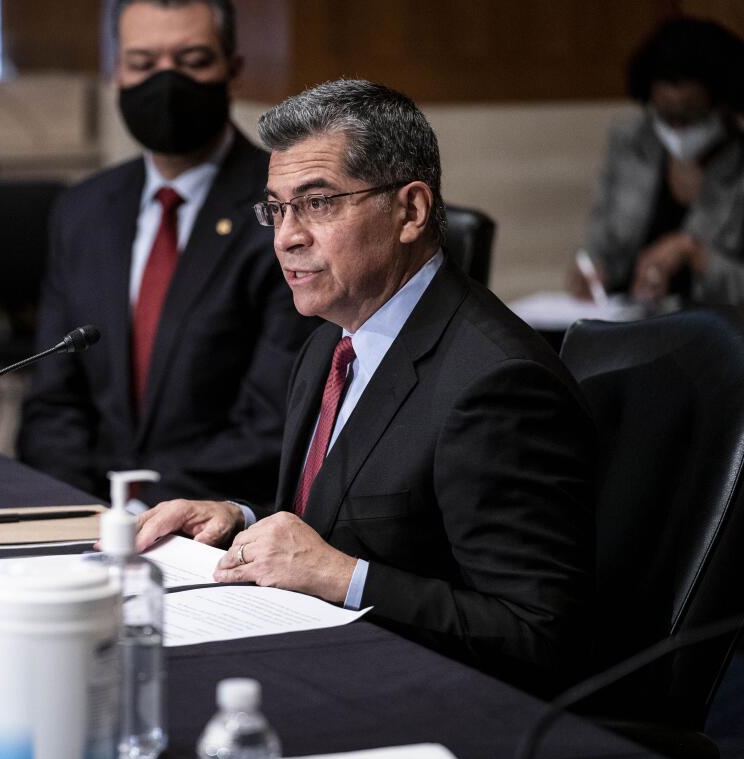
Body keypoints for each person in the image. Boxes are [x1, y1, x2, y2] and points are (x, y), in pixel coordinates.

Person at [137, 79, 596, 695]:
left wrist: (342, 576)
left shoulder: (496, 384)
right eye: (276, 208)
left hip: (433, 706)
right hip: (326, 662)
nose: (285, 236)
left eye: (318, 203)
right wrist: (237, 520)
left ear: (410, 211)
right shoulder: (334, 337)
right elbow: (338, 519)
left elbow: (538, 633)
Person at [17, 0, 315, 508]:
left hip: (222, 520)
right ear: (117, 72)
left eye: (193, 60)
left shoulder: (287, 211)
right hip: (85, 517)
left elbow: (278, 423)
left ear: (233, 70)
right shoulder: (82, 210)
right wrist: (83, 509)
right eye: (143, 64)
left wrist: (142, 505)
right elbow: (52, 402)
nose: (166, 82)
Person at [571, 17, 744, 304]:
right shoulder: (632, 144)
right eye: (665, 116)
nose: (676, 130)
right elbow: (601, 241)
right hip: (628, 319)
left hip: (713, 333)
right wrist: (592, 269)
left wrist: (693, 253)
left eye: (690, 117)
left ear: (723, 106)